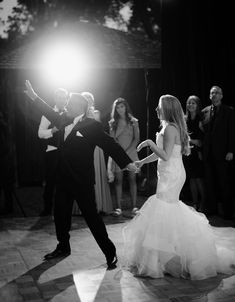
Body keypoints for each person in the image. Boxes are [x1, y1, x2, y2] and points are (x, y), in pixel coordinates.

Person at [24, 80, 138, 269]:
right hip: (63, 178)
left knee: (92, 218)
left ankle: (110, 253)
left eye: (69, 104)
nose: (65, 106)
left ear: (78, 107)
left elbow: (110, 144)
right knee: (60, 215)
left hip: (82, 181)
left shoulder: (91, 125)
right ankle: (63, 247)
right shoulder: (63, 119)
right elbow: (47, 111)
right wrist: (34, 96)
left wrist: (127, 163)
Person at [123, 94, 235, 280]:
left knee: (164, 209)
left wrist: (150, 143)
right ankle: (167, 255)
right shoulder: (168, 127)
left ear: (166, 109)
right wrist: (142, 161)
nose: (157, 110)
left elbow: (166, 155)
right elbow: (162, 154)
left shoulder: (171, 129)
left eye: (160, 107)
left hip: (172, 175)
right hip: (168, 173)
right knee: (166, 210)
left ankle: (165, 257)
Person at [201, 86, 235, 219]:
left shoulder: (229, 111)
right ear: (210, 96)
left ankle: (227, 212)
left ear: (221, 96)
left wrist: (231, 150)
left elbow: (232, 132)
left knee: (224, 183)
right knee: (210, 182)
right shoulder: (204, 111)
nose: (214, 95)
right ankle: (212, 209)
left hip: (223, 153)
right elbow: (205, 133)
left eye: (217, 93)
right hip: (208, 153)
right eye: (212, 93)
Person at [38, 88, 69, 216]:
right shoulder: (47, 114)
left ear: (67, 99)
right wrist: (53, 131)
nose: (61, 100)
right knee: (50, 182)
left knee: (67, 182)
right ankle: (47, 209)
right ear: (55, 99)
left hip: (68, 153)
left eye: (64, 98)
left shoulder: (71, 114)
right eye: (59, 97)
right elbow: (40, 133)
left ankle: (64, 209)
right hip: (53, 152)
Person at [108, 98, 140, 217]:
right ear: (115, 109)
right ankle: (118, 208)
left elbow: (137, 138)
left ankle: (134, 207)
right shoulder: (112, 123)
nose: (120, 109)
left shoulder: (133, 121)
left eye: (122, 106)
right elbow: (112, 140)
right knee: (118, 181)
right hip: (119, 154)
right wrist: (121, 153)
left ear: (126, 107)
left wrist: (127, 152)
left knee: (132, 179)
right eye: (118, 107)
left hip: (131, 153)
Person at [183, 95, 205, 211]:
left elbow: (201, 141)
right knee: (191, 179)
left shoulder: (201, 119)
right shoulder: (185, 120)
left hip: (198, 153)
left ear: (197, 105)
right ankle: (195, 203)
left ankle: (204, 203)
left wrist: (190, 140)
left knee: (199, 179)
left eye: (193, 103)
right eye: (189, 103)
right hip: (188, 153)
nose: (190, 105)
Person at [0, 111, 16, 215]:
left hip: (3, 159)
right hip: (7, 159)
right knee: (7, 186)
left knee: (5, 185)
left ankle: (8, 208)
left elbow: (3, 146)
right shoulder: (5, 126)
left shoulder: (2, 127)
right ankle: (9, 207)